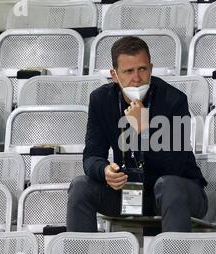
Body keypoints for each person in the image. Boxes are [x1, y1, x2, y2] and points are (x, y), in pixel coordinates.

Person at [67, 36, 208, 233]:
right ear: (114, 75)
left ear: (151, 68)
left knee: (168, 186)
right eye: (128, 71)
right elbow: (91, 156)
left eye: (142, 69)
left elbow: (175, 166)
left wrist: (145, 130)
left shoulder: (174, 100)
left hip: (179, 194)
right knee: (80, 186)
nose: (137, 78)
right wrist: (105, 171)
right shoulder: (101, 100)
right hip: (131, 195)